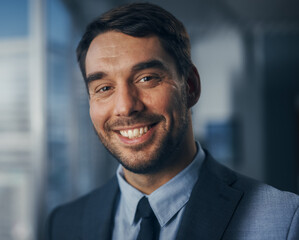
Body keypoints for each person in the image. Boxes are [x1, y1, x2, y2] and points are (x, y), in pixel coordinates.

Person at [46, 3, 299, 240]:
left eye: (146, 78)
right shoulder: (65, 223)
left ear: (190, 86)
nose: (125, 106)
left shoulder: (283, 220)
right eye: (103, 88)